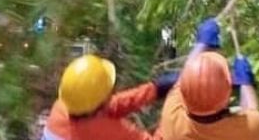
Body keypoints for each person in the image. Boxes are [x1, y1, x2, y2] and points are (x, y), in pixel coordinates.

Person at [157, 18, 259, 140]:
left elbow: (185, 79)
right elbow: (253, 114)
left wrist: (202, 43)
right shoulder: (247, 131)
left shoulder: (172, 118)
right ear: (226, 95)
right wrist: (246, 83)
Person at [42, 54, 178, 140]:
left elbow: (109, 106)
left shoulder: (64, 105)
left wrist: (154, 90)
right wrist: (173, 108)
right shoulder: (101, 131)